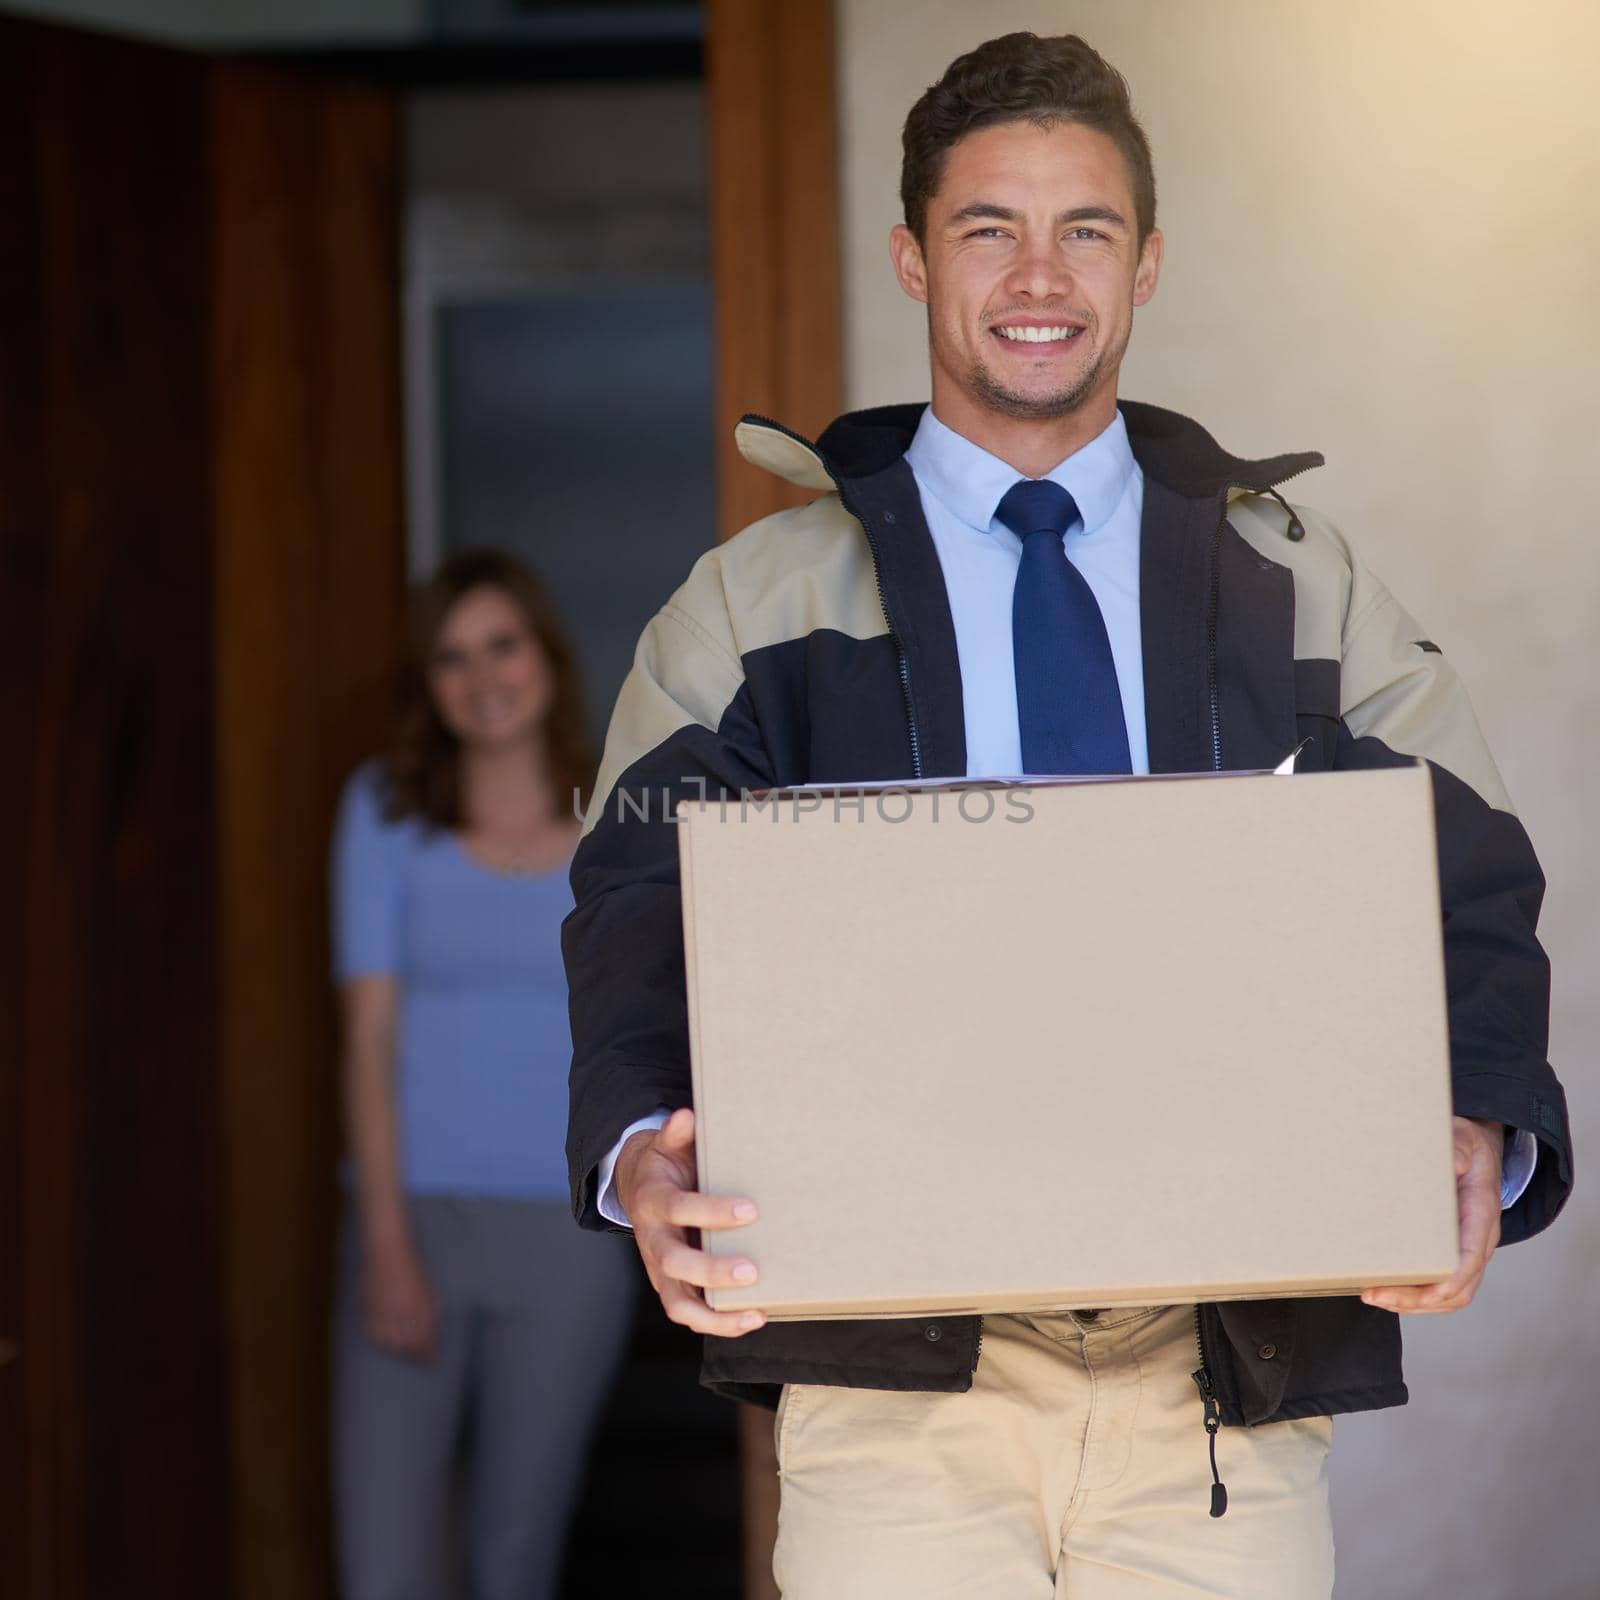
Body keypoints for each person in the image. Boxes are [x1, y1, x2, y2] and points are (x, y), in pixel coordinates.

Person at [562, 32, 1572, 1599]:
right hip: (893, 1396)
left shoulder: (1292, 582)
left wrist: (1480, 1121)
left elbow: (1470, 872)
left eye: (1085, 228)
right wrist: (641, 1152)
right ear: (913, 257)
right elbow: (634, 894)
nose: (1041, 274)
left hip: (1223, 1394)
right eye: (989, 228)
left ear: (1146, 262)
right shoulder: (755, 603)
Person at [332, 549, 635, 1600]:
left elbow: (664, 1022)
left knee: (516, 1558)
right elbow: (367, 1036)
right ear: (429, 683)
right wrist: (384, 1247)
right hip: (412, 1226)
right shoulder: (382, 810)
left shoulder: (618, 813)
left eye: (501, 642)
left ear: (545, 654)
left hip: (569, 1240)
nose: (483, 675)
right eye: (452, 657)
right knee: (386, 1567)